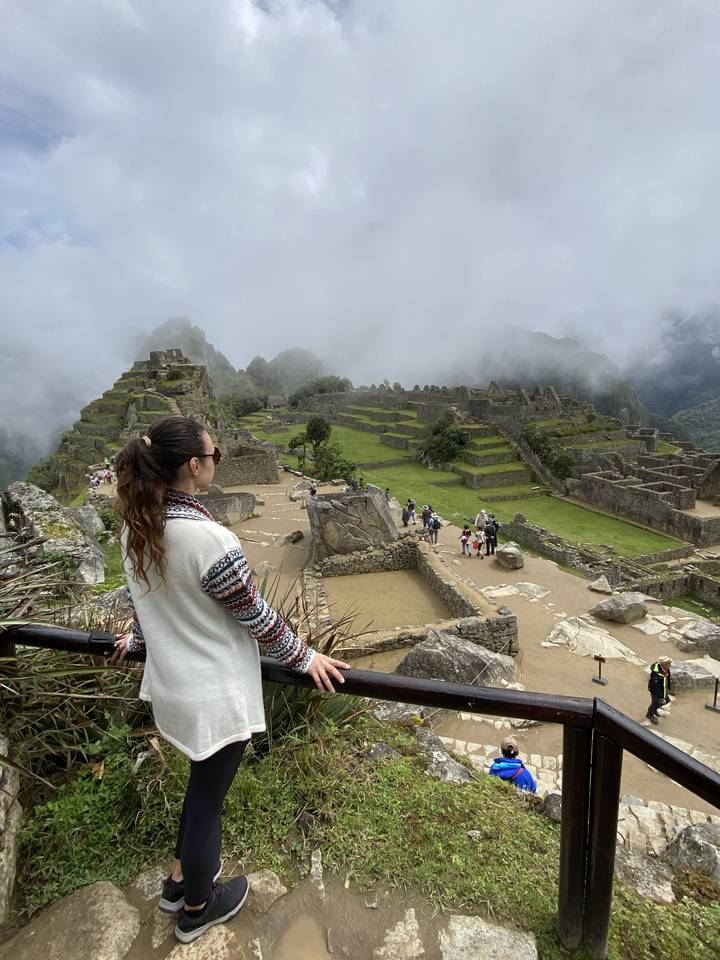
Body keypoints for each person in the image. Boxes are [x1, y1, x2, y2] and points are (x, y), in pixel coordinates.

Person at [110, 417, 349, 944]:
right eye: (213, 454)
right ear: (193, 466)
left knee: (199, 791)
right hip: (213, 695)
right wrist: (305, 657)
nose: (216, 461)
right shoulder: (208, 537)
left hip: (173, 688)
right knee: (207, 803)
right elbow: (256, 615)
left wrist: (137, 636)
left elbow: (147, 598)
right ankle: (198, 906)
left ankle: (176, 883)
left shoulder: (136, 525)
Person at [646, 655, 674, 725]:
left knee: (667, 700)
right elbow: (656, 687)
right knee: (656, 703)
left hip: (663, 690)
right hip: (656, 692)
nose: (670, 665)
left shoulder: (666, 669)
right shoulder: (655, 674)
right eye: (668, 664)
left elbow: (667, 679)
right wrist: (661, 697)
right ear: (664, 664)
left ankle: (654, 710)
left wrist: (669, 688)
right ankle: (650, 714)